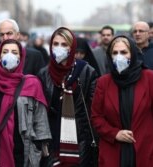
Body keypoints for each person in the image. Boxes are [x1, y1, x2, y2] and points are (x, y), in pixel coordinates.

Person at [91, 35, 153, 167]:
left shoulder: (150, 78)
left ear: (133, 54)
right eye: (115, 53)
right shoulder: (103, 82)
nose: (119, 56)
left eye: (124, 52)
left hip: (147, 151)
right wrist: (115, 133)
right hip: (114, 152)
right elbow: (96, 117)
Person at [0, 39, 51, 167]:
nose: (10, 55)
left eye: (15, 52)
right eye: (5, 51)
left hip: (24, 153)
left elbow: (40, 120)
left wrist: (37, 149)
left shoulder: (32, 83)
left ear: (21, 57)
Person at [38, 27, 98, 166]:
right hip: (51, 139)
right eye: (56, 44)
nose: (59, 48)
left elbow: (94, 108)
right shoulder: (43, 74)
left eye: (64, 44)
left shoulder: (86, 72)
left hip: (80, 139)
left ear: (72, 48)